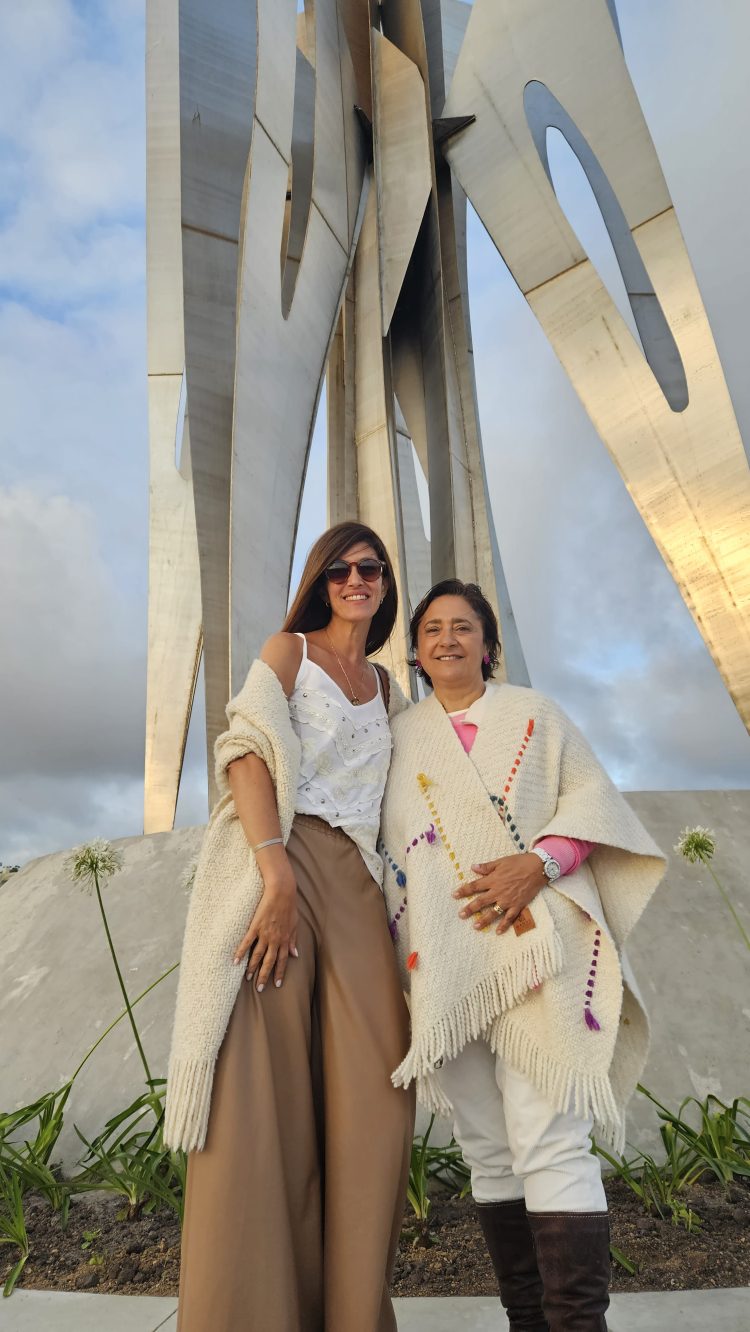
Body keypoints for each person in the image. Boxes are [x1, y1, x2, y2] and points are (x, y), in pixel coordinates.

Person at [380, 579, 666, 1332]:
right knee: (488, 1148)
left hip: (544, 951)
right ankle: (527, 1322)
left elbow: (593, 806)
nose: (447, 639)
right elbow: (390, 854)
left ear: (488, 643)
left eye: (464, 626)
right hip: (445, 968)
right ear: (414, 650)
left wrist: (535, 864)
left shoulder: (535, 716)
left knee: (552, 1140)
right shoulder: (400, 736)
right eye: (433, 628)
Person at [165, 522, 415, 1332]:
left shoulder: (387, 687)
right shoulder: (289, 652)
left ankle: (350, 1315)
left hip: (359, 887)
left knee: (374, 1100)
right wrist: (273, 872)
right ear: (321, 580)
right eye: (339, 569)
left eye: (369, 568)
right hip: (281, 862)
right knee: (257, 1103)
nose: (355, 580)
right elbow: (243, 749)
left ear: (384, 583)